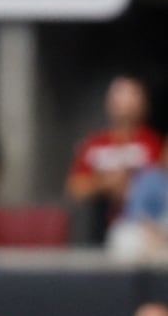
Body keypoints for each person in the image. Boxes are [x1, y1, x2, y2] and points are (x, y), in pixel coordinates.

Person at [67, 76, 163, 245]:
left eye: (132, 96)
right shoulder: (94, 144)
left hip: (142, 228)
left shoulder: (154, 143)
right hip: (98, 228)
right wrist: (104, 183)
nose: (125, 103)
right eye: (119, 96)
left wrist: (129, 186)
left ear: (143, 103)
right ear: (109, 102)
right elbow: (74, 189)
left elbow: (161, 187)